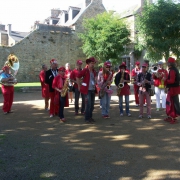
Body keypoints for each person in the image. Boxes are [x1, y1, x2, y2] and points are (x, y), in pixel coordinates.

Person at [76, 57, 97, 123]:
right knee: (88, 104)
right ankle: (87, 118)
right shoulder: (85, 70)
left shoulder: (94, 71)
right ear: (88, 63)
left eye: (93, 63)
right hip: (87, 90)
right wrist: (79, 85)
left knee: (92, 105)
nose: (93, 65)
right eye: (91, 63)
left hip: (93, 89)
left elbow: (94, 80)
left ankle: (90, 117)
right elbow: (77, 76)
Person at [164, 57, 180, 124]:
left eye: (168, 63)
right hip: (174, 88)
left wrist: (165, 80)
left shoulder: (172, 70)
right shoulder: (174, 69)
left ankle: (173, 116)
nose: (167, 64)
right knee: (172, 102)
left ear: (170, 64)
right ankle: (171, 116)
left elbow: (172, 81)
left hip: (173, 89)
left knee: (172, 103)